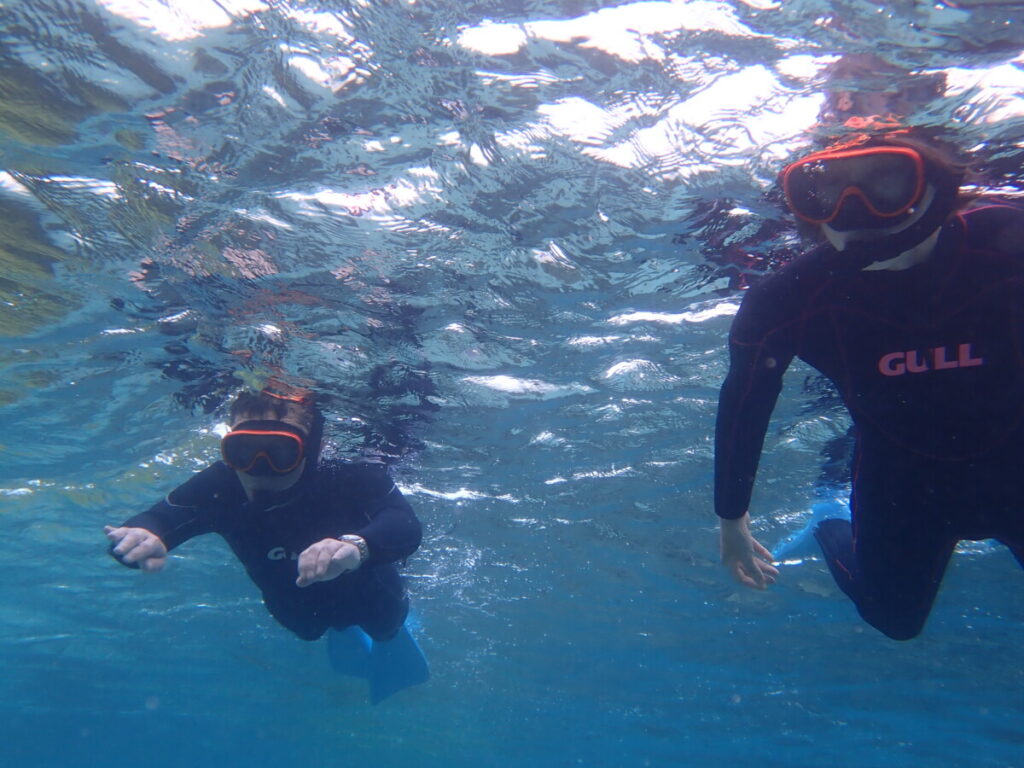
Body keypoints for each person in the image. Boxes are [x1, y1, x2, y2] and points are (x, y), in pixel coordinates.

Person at [714, 127, 1024, 640]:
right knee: (893, 620)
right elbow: (744, 404)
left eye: (886, 182)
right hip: (904, 482)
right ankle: (827, 519)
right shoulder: (787, 298)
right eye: (825, 193)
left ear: (936, 187)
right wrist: (732, 522)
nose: (855, 211)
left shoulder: (1008, 242)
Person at [105, 387, 428, 701]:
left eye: (280, 451)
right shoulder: (221, 485)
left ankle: (385, 636)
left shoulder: (350, 476)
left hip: (370, 593)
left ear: (312, 447)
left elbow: (404, 524)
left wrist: (357, 547)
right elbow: (158, 519)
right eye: (242, 451)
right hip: (295, 607)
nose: (259, 467)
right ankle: (345, 633)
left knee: (385, 625)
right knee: (307, 630)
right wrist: (141, 538)